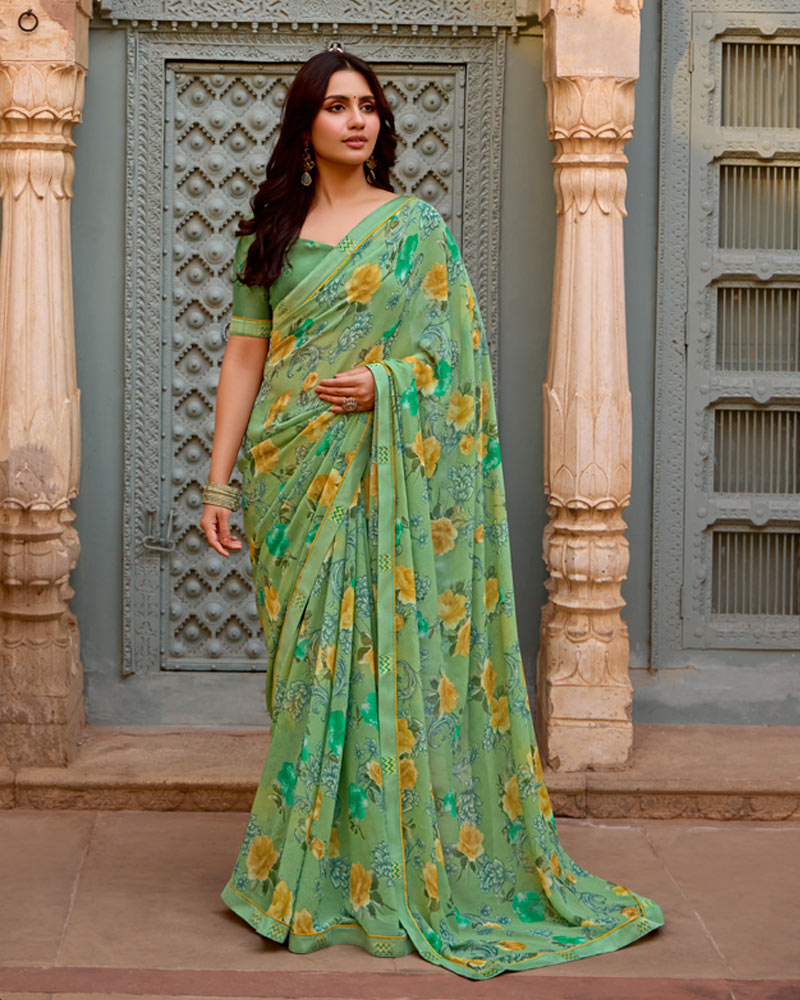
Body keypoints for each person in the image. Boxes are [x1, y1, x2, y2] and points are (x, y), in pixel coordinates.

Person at [201, 44, 664, 979]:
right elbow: (246, 356)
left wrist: (387, 383)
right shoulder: (272, 234)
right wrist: (219, 482)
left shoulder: (415, 231)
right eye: (336, 106)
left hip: (380, 470)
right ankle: (314, 867)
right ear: (305, 124)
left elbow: (455, 365)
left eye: (368, 106)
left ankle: (372, 873)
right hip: (294, 474)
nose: (356, 120)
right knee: (308, 675)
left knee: (379, 667)